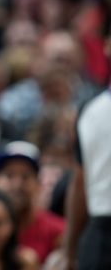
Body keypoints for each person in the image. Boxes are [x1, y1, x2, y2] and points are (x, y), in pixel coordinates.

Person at [63, 17, 111, 270]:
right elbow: (80, 179)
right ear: (106, 45)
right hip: (102, 231)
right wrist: (69, 251)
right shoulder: (90, 110)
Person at [0, 141, 65, 264]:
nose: (17, 185)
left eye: (25, 176)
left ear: (38, 184)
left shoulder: (58, 231)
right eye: (9, 176)